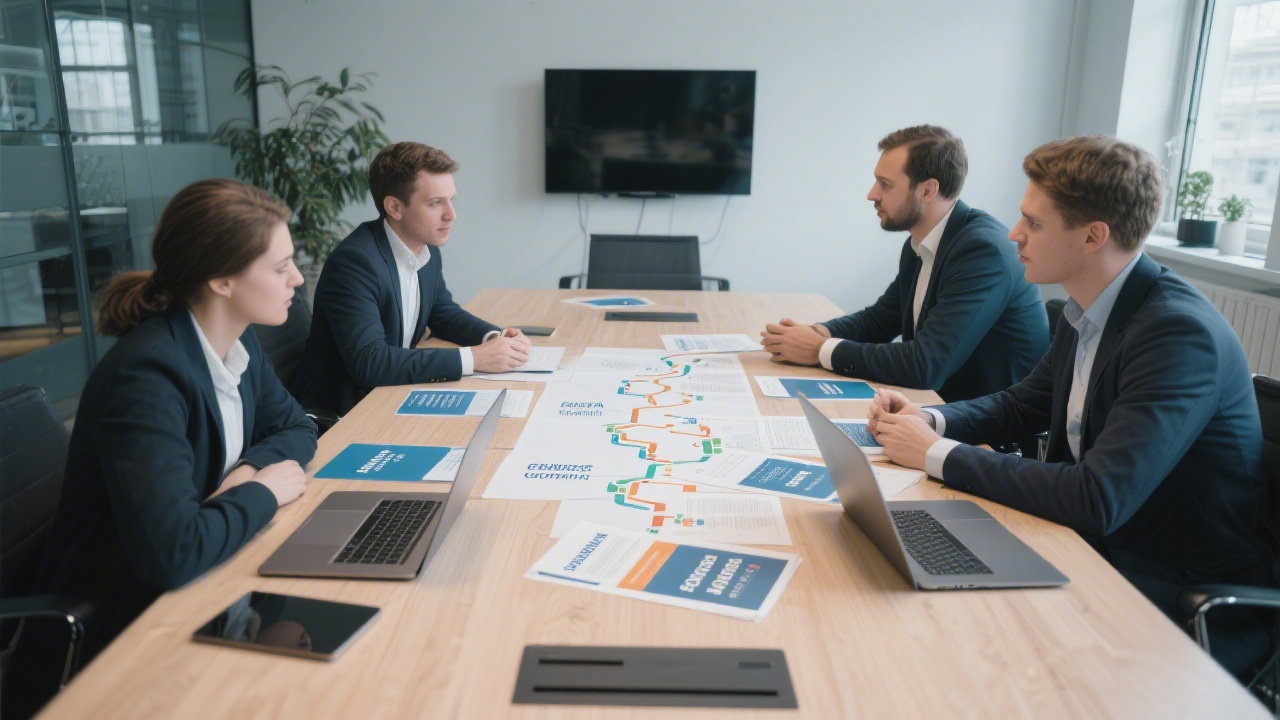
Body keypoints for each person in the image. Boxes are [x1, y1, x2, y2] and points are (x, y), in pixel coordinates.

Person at [869, 135, 1273, 677]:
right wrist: (930, 420)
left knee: (958, 653)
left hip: (1163, 582)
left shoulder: (1177, 334)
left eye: (1034, 223)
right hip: (1089, 547)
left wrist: (934, 453)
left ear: (1092, 236)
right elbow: (1021, 404)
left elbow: (1096, 497)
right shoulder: (1087, 308)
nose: (1015, 233)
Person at [3, 179, 317, 718]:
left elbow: (296, 429)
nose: (297, 277)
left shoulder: (235, 342)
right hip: (118, 636)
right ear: (222, 279)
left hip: (206, 588)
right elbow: (174, 555)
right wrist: (263, 491)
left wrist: (247, 469)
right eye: (279, 266)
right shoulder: (147, 376)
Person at [760, 125, 1048, 402]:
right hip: (936, 411)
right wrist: (816, 333)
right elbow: (881, 319)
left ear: (927, 190)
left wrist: (820, 350)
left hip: (987, 435)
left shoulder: (981, 251)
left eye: (885, 184)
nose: (872, 194)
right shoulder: (921, 243)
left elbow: (926, 365)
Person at [293, 142, 530, 414]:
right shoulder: (355, 263)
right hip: (341, 414)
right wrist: (474, 358)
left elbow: (443, 314)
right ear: (394, 207)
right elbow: (370, 363)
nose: (451, 215)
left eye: (451, 200)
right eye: (435, 203)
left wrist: (495, 338)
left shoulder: (424, 248)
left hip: (391, 394)